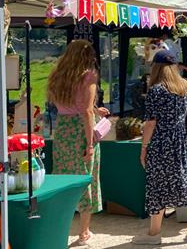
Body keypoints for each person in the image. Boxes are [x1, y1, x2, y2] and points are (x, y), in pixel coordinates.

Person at [133, 50, 187, 245]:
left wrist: (144, 147)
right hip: (181, 141)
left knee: (157, 185)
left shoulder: (156, 90)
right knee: (184, 180)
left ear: (156, 67)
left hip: (161, 143)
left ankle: (154, 234)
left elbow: (150, 123)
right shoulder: (184, 87)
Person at [48, 40, 108, 246]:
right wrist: (90, 143)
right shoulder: (88, 75)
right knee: (86, 178)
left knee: (63, 178)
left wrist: (94, 109)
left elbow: (69, 105)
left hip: (63, 130)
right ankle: (84, 232)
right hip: (81, 131)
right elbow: (85, 111)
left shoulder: (57, 75)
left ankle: (58, 227)